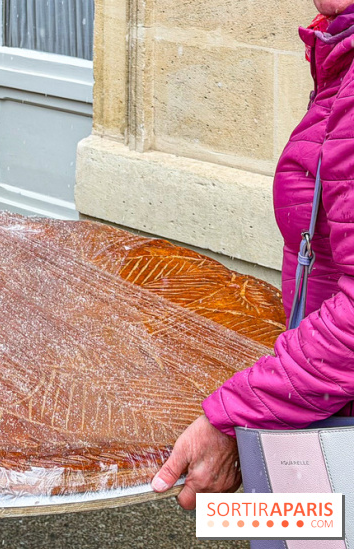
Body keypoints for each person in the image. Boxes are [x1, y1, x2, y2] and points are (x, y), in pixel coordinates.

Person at [151, 0, 354, 509]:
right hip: (326, 401)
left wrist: (237, 415)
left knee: (312, 533)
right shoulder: (339, 54)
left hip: (337, 422)